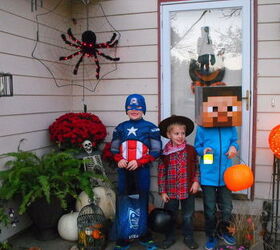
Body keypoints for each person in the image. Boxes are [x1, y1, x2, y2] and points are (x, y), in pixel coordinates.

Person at [111, 94, 162, 250]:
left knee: (142, 200)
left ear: (144, 109)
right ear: (126, 109)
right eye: (131, 107)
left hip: (142, 172)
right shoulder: (120, 128)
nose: (134, 110)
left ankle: (144, 234)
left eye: (138, 107)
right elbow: (114, 148)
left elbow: (156, 150)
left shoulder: (151, 127)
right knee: (125, 200)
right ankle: (124, 236)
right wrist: (118, 159)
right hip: (124, 173)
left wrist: (140, 162)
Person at [194, 86, 242, 250]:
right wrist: (202, 150)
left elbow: (234, 141)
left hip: (226, 175)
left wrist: (234, 148)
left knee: (227, 207)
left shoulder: (231, 126)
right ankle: (211, 235)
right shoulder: (203, 127)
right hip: (208, 174)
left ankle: (224, 231)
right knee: (209, 208)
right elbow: (197, 147)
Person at [157, 115, 200, 249]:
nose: (180, 136)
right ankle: (169, 237)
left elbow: (196, 167)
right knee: (171, 215)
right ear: (169, 134)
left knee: (188, 215)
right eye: (176, 133)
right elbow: (161, 173)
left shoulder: (191, 150)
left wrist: (195, 181)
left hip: (188, 188)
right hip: (171, 191)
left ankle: (188, 237)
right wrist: (162, 191)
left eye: (182, 133)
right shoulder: (165, 154)